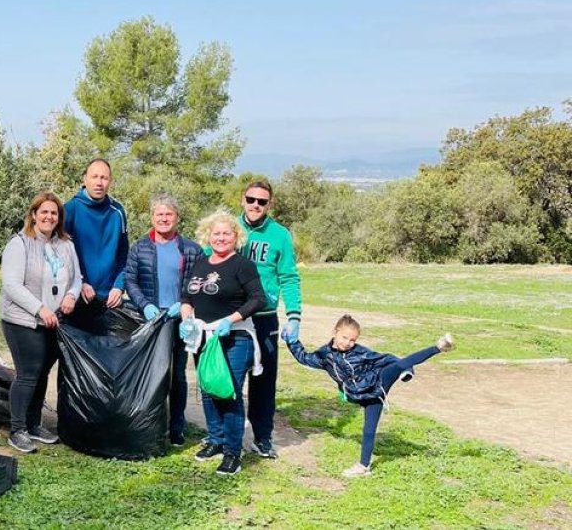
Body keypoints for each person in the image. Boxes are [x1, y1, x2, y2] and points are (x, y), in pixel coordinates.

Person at [283, 315, 455, 477]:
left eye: (353, 340)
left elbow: (387, 358)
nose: (349, 343)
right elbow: (304, 358)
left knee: (399, 364)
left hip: (378, 382)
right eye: (345, 338)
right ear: (334, 333)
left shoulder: (360, 352)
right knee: (369, 430)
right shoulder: (324, 356)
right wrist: (292, 342)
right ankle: (364, 466)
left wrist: (406, 370)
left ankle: (439, 347)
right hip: (362, 396)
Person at [181, 210, 266, 476]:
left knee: (228, 391)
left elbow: (257, 298)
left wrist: (231, 319)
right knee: (208, 388)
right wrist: (187, 319)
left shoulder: (242, 265)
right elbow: (187, 296)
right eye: (216, 233)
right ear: (208, 235)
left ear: (235, 236)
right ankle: (216, 440)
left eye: (226, 233)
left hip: (234, 337)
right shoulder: (201, 263)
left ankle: (232, 451)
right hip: (203, 336)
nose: (221, 238)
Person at [0, 192, 83, 454]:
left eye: (54, 213)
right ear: (33, 215)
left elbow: (77, 277)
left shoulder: (65, 244)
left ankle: (34, 424)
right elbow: (11, 285)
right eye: (44, 212)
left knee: (43, 372)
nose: (49, 217)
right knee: (28, 373)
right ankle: (18, 429)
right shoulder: (20, 244)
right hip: (23, 319)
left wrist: (71, 295)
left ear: (59, 218)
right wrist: (39, 308)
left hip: (54, 320)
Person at [123, 193, 203, 447]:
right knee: (150, 374)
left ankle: (176, 426)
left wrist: (185, 302)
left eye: (169, 214)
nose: (164, 218)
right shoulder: (140, 248)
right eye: (160, 214)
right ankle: (150, 421)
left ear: (177, 217)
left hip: (179, 319)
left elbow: (199, 282)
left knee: (177, 375)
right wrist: (144, 305)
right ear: (152, 217)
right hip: (150, 321)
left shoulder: (190, 249)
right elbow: (130, 280)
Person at [237, 179, 301, 459]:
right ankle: (227, 435)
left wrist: (294, 315)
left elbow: (288, 277)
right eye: (251, 199)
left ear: (269, 205)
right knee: (230, 378)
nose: (255, 205)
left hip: (264, 318)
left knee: (264, 382)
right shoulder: (230, 228)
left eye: (262, 201)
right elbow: (208, 261)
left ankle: (262, 437)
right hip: (234, 318)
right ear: (243, 199)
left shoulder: (280, 235)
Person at [63, 158, 129, 332]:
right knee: (71, 358)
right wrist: (80, 282)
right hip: (76, 297)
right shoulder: (69, 210)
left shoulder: (118, 212)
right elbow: (60, 256)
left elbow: (124, 254)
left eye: (104, 178)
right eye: (94, 177)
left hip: (109, 299)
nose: (99, 182)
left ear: (110, 182)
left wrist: (119, 285)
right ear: (85, 179)